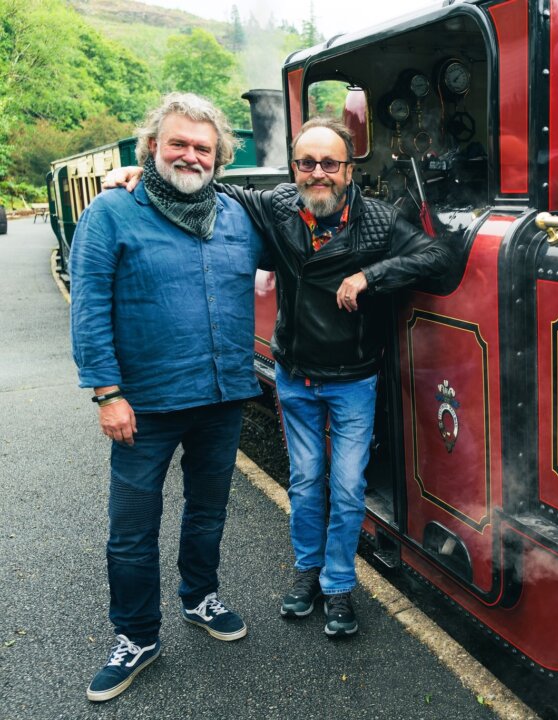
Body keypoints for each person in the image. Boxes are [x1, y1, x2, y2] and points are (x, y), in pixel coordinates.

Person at [108, 117, 452, 639]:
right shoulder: (276, 207)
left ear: (348, 169)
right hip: (294, 375)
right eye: (306, 163)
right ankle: (308, 570)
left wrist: (369, 276)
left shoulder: (379, 221)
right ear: (293, 169)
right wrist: (142, 173)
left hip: (352, 379)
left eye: (329, 163)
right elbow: (207, 182)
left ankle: (338, 586)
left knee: (349, 485)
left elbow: (436, 254)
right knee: (307, 481)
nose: (318, 173)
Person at [71, 93, 263, 702]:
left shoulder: (238, 215)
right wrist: (106, 392)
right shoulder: (111, 212)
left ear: (219, 157)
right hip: (144, 404)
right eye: (177, 143)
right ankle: (136, 635)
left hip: (221, 394)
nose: (190, 155)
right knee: (132, 528)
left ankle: (200, 597)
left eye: (203, 147)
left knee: (207, 511)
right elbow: (89, 305)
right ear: (151, 146)